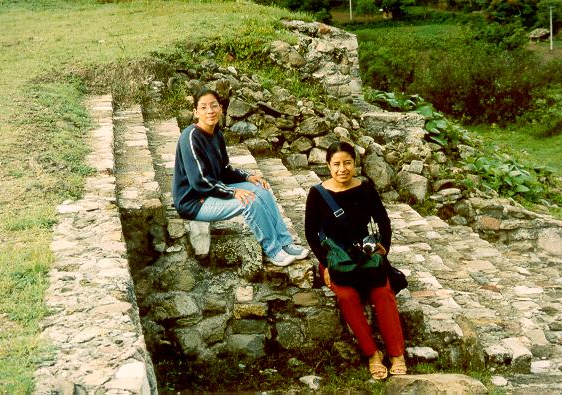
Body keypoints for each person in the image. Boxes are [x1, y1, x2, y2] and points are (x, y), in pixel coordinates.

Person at [172, 87, 309, 267]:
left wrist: (247, 177)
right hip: (194, 201)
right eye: (203, 107)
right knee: (249, 202)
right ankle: (273, 251)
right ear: (195, 112)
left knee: (261, 189)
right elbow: (200, 182)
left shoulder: (217, 134)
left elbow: (224, 170)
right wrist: (232, 192)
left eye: (214, 106)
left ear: (221, 108)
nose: (210, 111)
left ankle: (285, 243)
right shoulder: (190, 138)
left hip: (212, 192)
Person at [304, 141, 406, 379]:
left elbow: (383, 220)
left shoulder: (366, 189)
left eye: (347, 163)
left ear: (355, 164)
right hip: (336, 257)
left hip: (366, 255)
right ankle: (372, 355)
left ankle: (397, 353)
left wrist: (384, 249)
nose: (342, 169)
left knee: (383, 292)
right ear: (328, 166)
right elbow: (311, 233)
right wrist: (326, 264)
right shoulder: (317, 194)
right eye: (337, 164)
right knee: (347, 297)